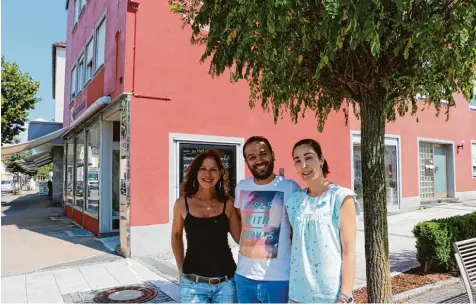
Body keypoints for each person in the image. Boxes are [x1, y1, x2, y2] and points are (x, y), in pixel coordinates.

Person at [285, 139, 360, 303]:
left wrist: (345, 295)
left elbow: (349, 251)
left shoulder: (340, 197)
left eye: (308, 157)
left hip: (330, 296)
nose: (303, 165)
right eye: (297, 161)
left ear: (321, 160)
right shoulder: (294, 201)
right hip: (297, 294)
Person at [234, 136, 300, 303]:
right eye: (252, 157)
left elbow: (297, 231)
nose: (259, 160)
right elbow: (240, 220)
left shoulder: (290, 187)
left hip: (279, 279)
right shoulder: (241, 187)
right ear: (246, 161)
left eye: (263, 154)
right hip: (244, 276)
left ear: (272, 154)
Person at [171, 149, 241, 303]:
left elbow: (240, 239)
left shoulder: (228, 203)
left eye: (213, 169)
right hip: (192, 285)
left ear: (220, 173)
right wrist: (180, 269)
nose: (208, 174)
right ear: (195, 172)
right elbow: (176, 235)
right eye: (203, 169)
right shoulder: (182, 204)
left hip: (226, 284)